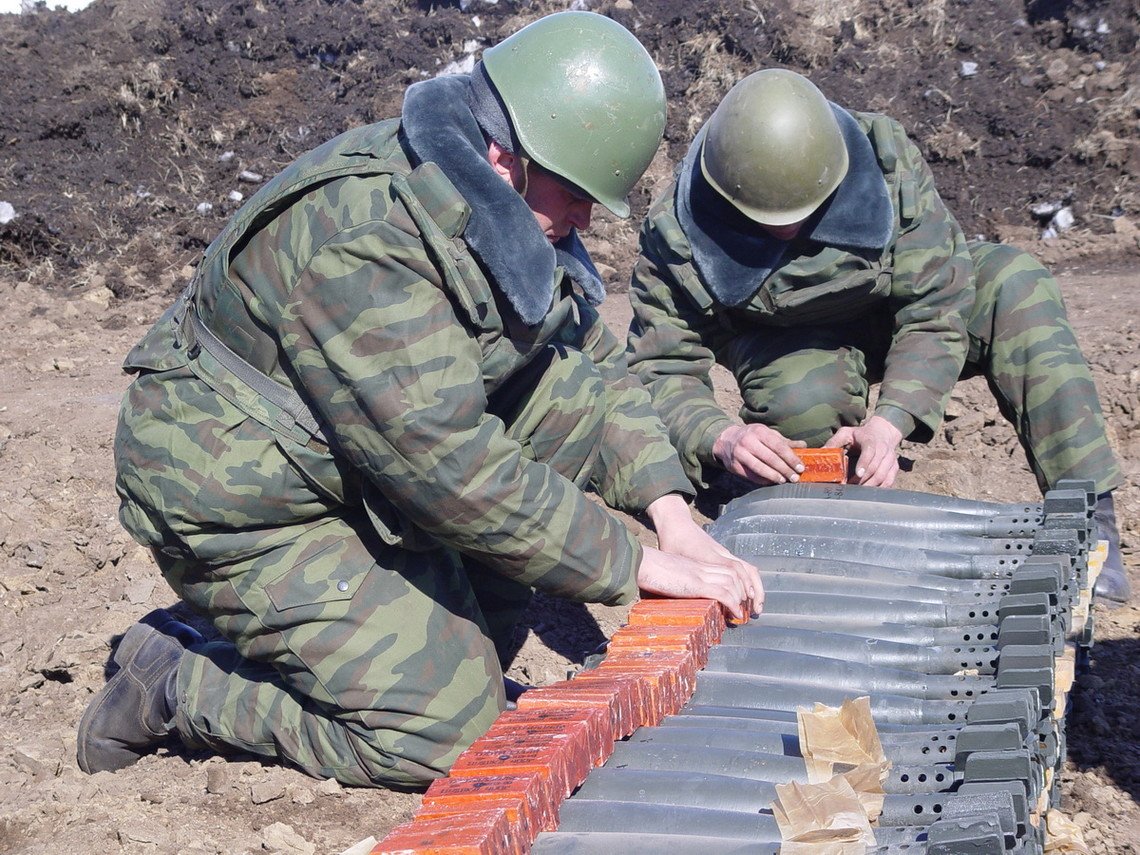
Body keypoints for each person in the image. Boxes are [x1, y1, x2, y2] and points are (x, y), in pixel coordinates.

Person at [77, 11, 762, 789]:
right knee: (449, 733)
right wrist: (634, 561)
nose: (586, 222)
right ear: (508, 156)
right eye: (577, 197)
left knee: (562, 393)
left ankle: (411, 635)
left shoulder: (497, 197)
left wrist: (669, 511)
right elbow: (448, 468)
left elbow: (588, 361)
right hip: (244, 495)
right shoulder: (371, 241)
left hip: (354, 455)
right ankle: (173, 680)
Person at [625, 68, 1129, 604]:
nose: (788, 232)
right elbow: (663, 366)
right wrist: (720, 438)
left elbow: (935, 306)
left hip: (895, 316)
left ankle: (1088, 519)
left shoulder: (885, 161)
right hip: (788, 343)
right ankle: (834, 540)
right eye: (766, 221)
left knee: (1015, 283)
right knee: (802, 407)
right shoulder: (677, 231)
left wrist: (892, 420)